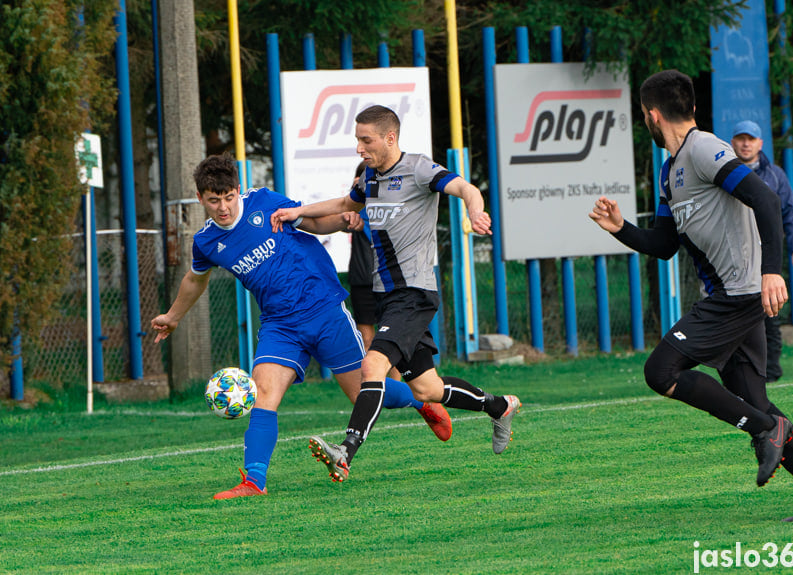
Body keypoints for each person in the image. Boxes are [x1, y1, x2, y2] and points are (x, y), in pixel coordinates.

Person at [589, 70, 793, 521]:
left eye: (644, 116)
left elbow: (765, 200)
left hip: (739, 296)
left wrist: (771, 272)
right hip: (734, 298)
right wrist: (621, 229)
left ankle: (767, 430)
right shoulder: (671, 172)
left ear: (651, 115)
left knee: (661, 370)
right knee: (755, 402)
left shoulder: (704, 148)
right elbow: (664, 245)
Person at [150, 153, 452, 500]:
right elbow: (194, 280)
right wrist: (172, 316)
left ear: (237, 190)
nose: (223, 208)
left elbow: (311, 222)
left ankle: (419, 402)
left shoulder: (263, 202)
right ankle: (254, 481)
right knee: (264, 393)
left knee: (365, 393)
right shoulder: (205, 242)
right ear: (201, 198)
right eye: (214, 201)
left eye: (228, 197)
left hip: (325, 310)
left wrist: (343, 221)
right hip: (280, 325)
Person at [271, 105, 521, 483]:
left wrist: (475, 209)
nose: (359, 147)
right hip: (388, 296)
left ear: (390, 138)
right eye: (357, 139)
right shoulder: (369, 178)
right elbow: (343, 205)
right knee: (428, 388)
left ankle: (345, 451)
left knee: (372, 366)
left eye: (365, 140)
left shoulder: (419, 168)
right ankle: (500, 407)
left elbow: (464, 188)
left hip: (414, 292)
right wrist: (297, 212)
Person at [731, 120, 793, 382]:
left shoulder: (775, 175)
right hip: (732, 256)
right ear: (733, 142)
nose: (745, 143)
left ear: (760, 144)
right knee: (734, 313)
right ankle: (739, 370)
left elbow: (790, 213)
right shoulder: (722, 173)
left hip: (766, 256)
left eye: (750, 139)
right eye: (741, 138)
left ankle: (770, 371)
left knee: (770, 312)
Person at [347, 162, 400, 381]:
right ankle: (375, 387)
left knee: (391, 338)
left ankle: (397, 388)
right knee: (366, 339)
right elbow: (339, 219)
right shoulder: (353, 210)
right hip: (361, 280)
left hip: (388, 280)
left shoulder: (388, 206)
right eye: (360, 179)